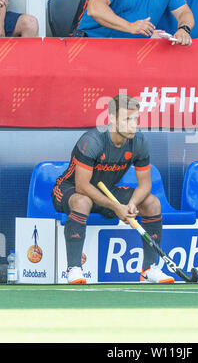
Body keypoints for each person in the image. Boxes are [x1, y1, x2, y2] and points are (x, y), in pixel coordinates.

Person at [51, 94, 175, 285]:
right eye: (127, 119)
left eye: (135, 119)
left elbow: (145, 185)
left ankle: (149, 269)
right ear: (112, 119)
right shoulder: (93, 141)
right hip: (69, 189)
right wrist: (116, 207)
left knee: (151, 203)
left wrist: (131, 204)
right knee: (82, 201)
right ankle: (74, 268)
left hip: (107, 191)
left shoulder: (139, 142)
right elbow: (82, 186)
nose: (133, 125)